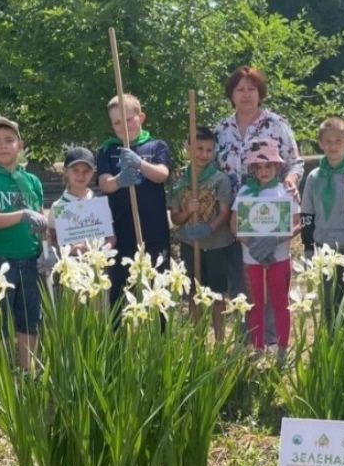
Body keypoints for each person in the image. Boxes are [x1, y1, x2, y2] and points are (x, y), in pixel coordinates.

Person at [214, 65, 304, 345]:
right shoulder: (221, 129)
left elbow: (295, 161)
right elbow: (212, 168)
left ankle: (274, 340)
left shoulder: (276, 123)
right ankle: (249, 340)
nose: (246, 94)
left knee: (274, 278)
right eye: (239, 89)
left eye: (251, 89)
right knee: (243, 280)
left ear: (260, 93)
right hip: (235, 213)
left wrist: (289, 180)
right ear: (231, 95)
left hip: (272, 211)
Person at [0, 117, 49, 371]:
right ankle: (2, 376)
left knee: (29, 320)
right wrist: (24, 214)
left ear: (20, 145)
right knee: (0, 322)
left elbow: (41, 222)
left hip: (31, 259)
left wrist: (49, 251)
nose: (3, 146)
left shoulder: (33, 181)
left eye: (9, 140)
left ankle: (28, 372)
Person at [97, 93, 171, 310]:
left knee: (157, 295)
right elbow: (104, 183)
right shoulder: (108, 150)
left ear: (141, 117)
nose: (123, 126)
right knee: (120, 297)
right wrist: (120, 180)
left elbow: (162, 174)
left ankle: (158, 341)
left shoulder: (156, 146)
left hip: (154, 233)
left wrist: (140, 164)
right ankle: (120, 343)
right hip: (121, 235)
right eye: (117, 122)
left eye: (129, 119)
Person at [230, 141, 301, 363]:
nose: (263, 171)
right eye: (258, 167)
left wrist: (275, 240)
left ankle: (281, 350)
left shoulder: (285, 192)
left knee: (281, 303)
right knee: (256, 305)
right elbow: (234, 224)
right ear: (252, 169)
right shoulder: (245, 191)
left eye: (268, 166)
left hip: (279, 257)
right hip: (251, 258)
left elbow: (297, 224)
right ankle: (258, 349)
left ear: (277, 167)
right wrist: (251, 244)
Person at [168, 126, 233, 339]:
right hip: (190, 244)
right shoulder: (179, 182)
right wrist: (188, 212)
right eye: (199, 148)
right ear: (188, 147)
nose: (204, 154)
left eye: (208, 150)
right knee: (194, 293)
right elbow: (175, 218)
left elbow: (224, 212)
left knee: (216, 294)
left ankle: (221, 340)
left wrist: (208, 228)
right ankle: (197, 341)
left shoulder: (220, 179)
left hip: (216, 245)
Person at [300, 117, 344, 319]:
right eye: (327, 141)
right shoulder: (314, 176)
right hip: (323, 247)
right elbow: (307, 213)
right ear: (320, 143)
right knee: (328, 304)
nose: (333, 145)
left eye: (338, 140)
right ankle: (331, 344)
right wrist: (309, 248)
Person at [48, 146, 116, 254]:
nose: (81, 175)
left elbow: (111, 238)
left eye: (86, 171)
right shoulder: (58, 206)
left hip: (97, 265)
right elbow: (53, 241)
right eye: (75, 170)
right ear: (65, 171)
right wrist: (70, 249)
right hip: (69, 267)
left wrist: (102, 251)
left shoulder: (99, 205)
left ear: (93, 173)